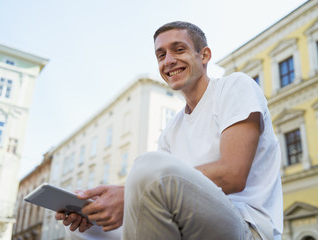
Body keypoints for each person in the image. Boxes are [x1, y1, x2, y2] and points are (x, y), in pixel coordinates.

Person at [56, 21, 283, 239]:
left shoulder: (234, 86)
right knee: (85, 228)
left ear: (204, 55)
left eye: (179, 50)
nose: (169, 61)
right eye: (161, 55)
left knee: (147, 165)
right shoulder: (171, 130)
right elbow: (156, 186)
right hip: (188, 223)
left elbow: (233, 175)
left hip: (245, 226)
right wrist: (102, 203)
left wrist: (128, 194)